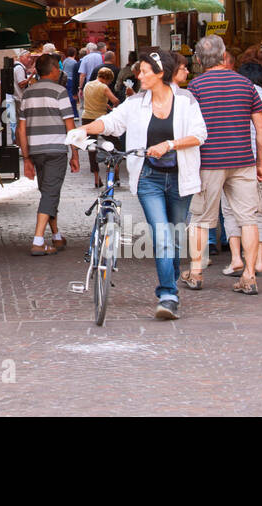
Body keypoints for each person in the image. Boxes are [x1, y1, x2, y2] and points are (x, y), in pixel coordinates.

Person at [72, 50, 208, 320]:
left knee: (175, 236)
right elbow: (112, 122)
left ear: (160, 73)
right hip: (149, 178)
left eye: (145, 71)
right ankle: (168, 295)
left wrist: (169, 144)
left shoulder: (185, 100)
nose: (140, 75)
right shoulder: (136, 103)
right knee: (162, 235)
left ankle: (169, 283)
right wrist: (84, 129)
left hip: (182, 177)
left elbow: (199, 134)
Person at [182, 34, 262, 295]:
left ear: (197, 60)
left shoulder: (195, 88)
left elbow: (187, 129)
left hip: (208, 162)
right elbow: (261, 128)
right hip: (243, 161)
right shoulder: (246, 84)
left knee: (200, 218)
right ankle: (249, 276)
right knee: (248, 219)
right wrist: (260, 162)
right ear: (224, 55)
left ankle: (196, 272)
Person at [220, 62, 262, 274]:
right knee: (259, 211)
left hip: (239, 161)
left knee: (231, 210)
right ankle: (259, 260)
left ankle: (235, 259)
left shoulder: (236, 101)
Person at [17, 53, 80, 256]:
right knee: (50, 192)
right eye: (58, 67)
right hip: (55, 149)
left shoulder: (27, 94)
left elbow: (20, 130)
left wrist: (26, 157)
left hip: (36, 150)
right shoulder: (60, 92)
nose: (60, 71)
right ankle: (37, 240)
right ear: (53, 70)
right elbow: (70, 126)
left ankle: (56, 236)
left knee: (48, 192)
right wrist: (75, 154)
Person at [81, 66, 121, 187]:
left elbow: (91, 100)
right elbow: (115, 101)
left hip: (87, 118)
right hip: (100, 120)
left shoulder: (87, 85)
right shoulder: (103, 87)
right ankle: (115, 173)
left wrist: (104, 105)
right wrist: (112, 108)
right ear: (107, 79)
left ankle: (96, 178)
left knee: (91, 148)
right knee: (116, 144)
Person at [0, 56, 18, 144]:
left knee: (13, 122)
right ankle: (15, 139)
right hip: (9, 100)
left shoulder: (12, 73)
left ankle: (15, 139)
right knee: (13, 121)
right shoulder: (9, 74)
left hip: (11, 100)